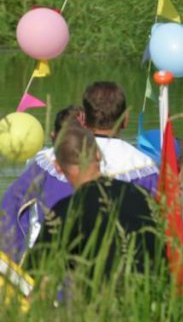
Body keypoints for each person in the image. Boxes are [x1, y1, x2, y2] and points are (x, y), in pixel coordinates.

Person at [0, 83, 158, 262]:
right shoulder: (145, 168)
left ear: (84, 119)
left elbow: (10, 211)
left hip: (51, 266)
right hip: (125, 270)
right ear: (126, 119)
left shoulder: (51, 160)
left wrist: (17, 266)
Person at [25, 125, 160, 280]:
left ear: (57, 167)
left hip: (102, 293)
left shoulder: (66, 212)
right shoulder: (141, 195)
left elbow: (33, 276)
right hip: (153, 288)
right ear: (98, 155)